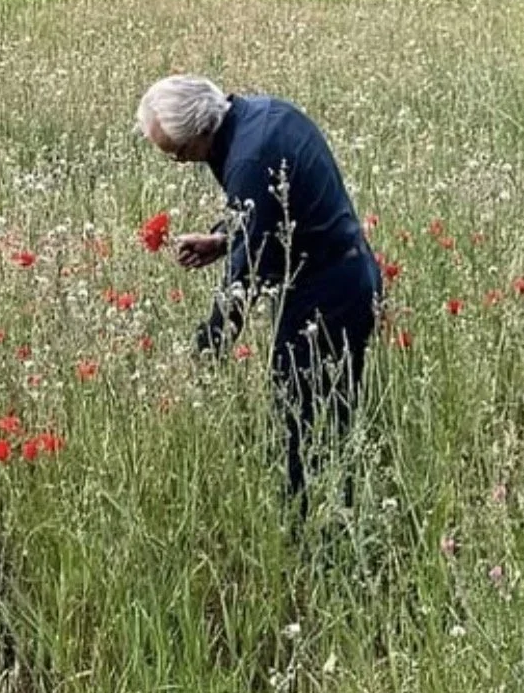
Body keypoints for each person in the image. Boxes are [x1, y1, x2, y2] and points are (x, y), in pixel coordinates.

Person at [136, 77, 382, 499]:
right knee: (328, 418)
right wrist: (221, 237)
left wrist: (209, 346)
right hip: (349, 276)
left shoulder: (249, 156)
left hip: (325, 298)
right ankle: (335, 509)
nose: (181, 163)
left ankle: (321, 537)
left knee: (305, 429)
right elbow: (269, 212)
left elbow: (246, 272)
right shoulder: (263, 113)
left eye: (179, 154)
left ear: (202, 131)